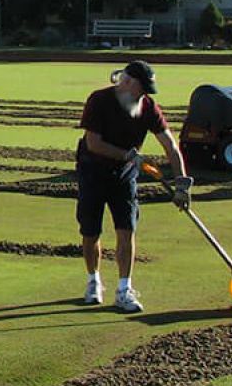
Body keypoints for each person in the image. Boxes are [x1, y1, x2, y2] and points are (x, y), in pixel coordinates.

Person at [75, 60, 190, 313]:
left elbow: (170, 146)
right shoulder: (99, 100)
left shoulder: (147, 107)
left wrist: (181, 185)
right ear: (126, 83)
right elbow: (94, 143)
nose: (143, 95)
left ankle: (124, 289)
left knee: (126, 228)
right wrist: (128, 155)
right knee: (91, 231)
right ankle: (93, 281)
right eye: (140, 88)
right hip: (92, 170)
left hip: (124, 175)